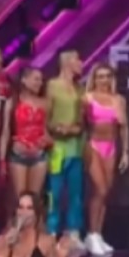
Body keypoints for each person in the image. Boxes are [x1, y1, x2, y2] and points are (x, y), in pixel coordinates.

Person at [82, 63, 129, 256]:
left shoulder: (119, 100)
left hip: (111, 147)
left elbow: (124, 128)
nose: (104, 80)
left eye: (107, 76)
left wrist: (126, 152)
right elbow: (81, 125)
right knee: (100, 189)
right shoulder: (87, 98)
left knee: (105, 192)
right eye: (100, 76)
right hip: (93, 145)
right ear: (94, 79)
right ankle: (91, 233)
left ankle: (97, 234)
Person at [45, 49, 85, 246]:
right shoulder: (52, 85)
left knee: (76, 193)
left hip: (76, 148)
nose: (81, 63)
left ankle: (73, 232)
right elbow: (45, 117)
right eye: (78, 59)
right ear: (67, 62)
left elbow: (83, 119)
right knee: (54, 192)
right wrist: (56, 129)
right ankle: (51, 231)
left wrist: (76, 127)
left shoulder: (80, 89)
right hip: (57, 148)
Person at [0, 66, 52, 212]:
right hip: (18, 156)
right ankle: (17, 226)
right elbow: (5, 131)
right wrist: (2, 160)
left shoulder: (45, 103)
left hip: (39, 157)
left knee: (35, 201)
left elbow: (45, 130)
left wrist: (49, 141)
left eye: (41, 80)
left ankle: (35, 226)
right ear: (24, 80)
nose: (40, 83)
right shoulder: (13, 102)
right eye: (36, 79)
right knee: (20, 200)